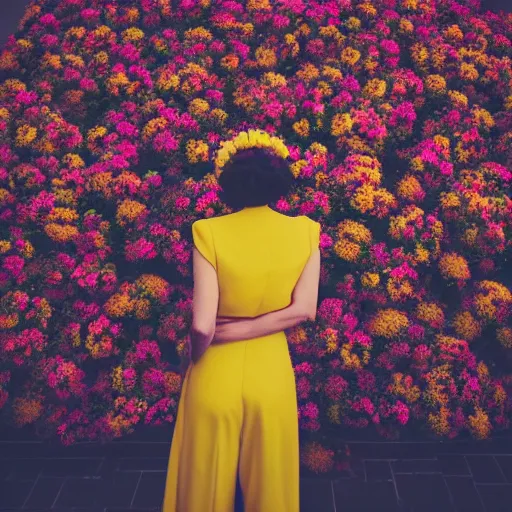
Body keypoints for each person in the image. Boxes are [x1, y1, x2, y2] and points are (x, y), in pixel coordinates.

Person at [162, 131, 321, 512]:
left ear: (227, 186)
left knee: (203, 485)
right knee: (272, 489)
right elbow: (304, 309)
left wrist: (208, 344)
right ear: (279, 182)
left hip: (216, 368)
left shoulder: (209, 231)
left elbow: (202, 325)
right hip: (271, 372)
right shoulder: (305, 231)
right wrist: (248, 330)